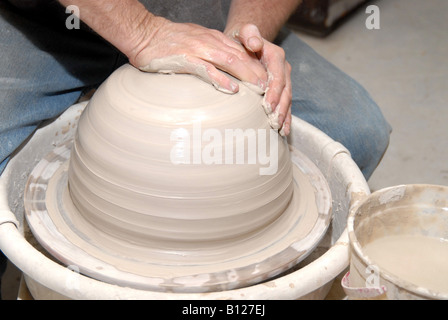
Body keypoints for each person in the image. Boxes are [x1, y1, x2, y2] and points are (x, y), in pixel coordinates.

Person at [0, 0, 391, 298]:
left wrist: (247, 36)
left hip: (198, 10)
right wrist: (141, 31)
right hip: (52, 17)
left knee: (355, 130)